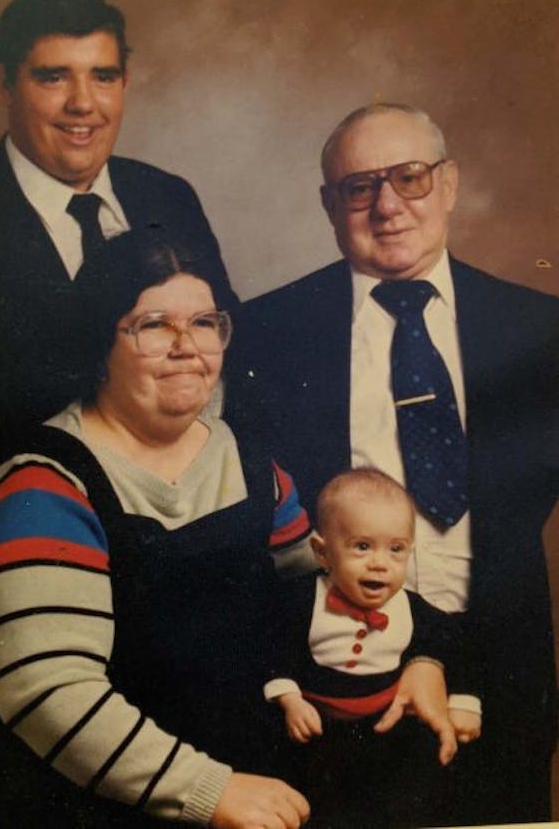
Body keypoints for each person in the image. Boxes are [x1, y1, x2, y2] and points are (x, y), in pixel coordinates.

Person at [243, 103, 558, 825]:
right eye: (359, 187)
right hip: (329, 703)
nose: (387, 205)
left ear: (447, 184)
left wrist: (453, 660)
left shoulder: (542, 331)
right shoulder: (265, 332)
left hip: (492, 688)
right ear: (330, 206)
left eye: (409, 178)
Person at [0, 230, 312, 829]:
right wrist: (210, 791)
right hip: (111, 807)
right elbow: (47, 692)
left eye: (205, 323)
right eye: (154, 325)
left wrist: (424, 657)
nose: (187, 347)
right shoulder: (41, 485)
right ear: (101, 343)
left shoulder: (258, 469)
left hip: (261, 791)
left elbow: (316, 601)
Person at [0, 0, 233, 485]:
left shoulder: (168, 198)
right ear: (5, 83)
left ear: (125, 81)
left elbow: (221, 356)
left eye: (103, 76)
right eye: (53, 78)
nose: (83, 104)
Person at [265, 468, 480, 827]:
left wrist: (464, 701)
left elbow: (454, 643)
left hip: (385, 728)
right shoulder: (303, 602)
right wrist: (290, 699)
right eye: (362, 547)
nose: (379, 563)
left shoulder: (411, 608)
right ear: (322, 552)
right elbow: (275, 653)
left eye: (396, 549)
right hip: (318, 729)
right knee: (313, 806)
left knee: (396, 802)